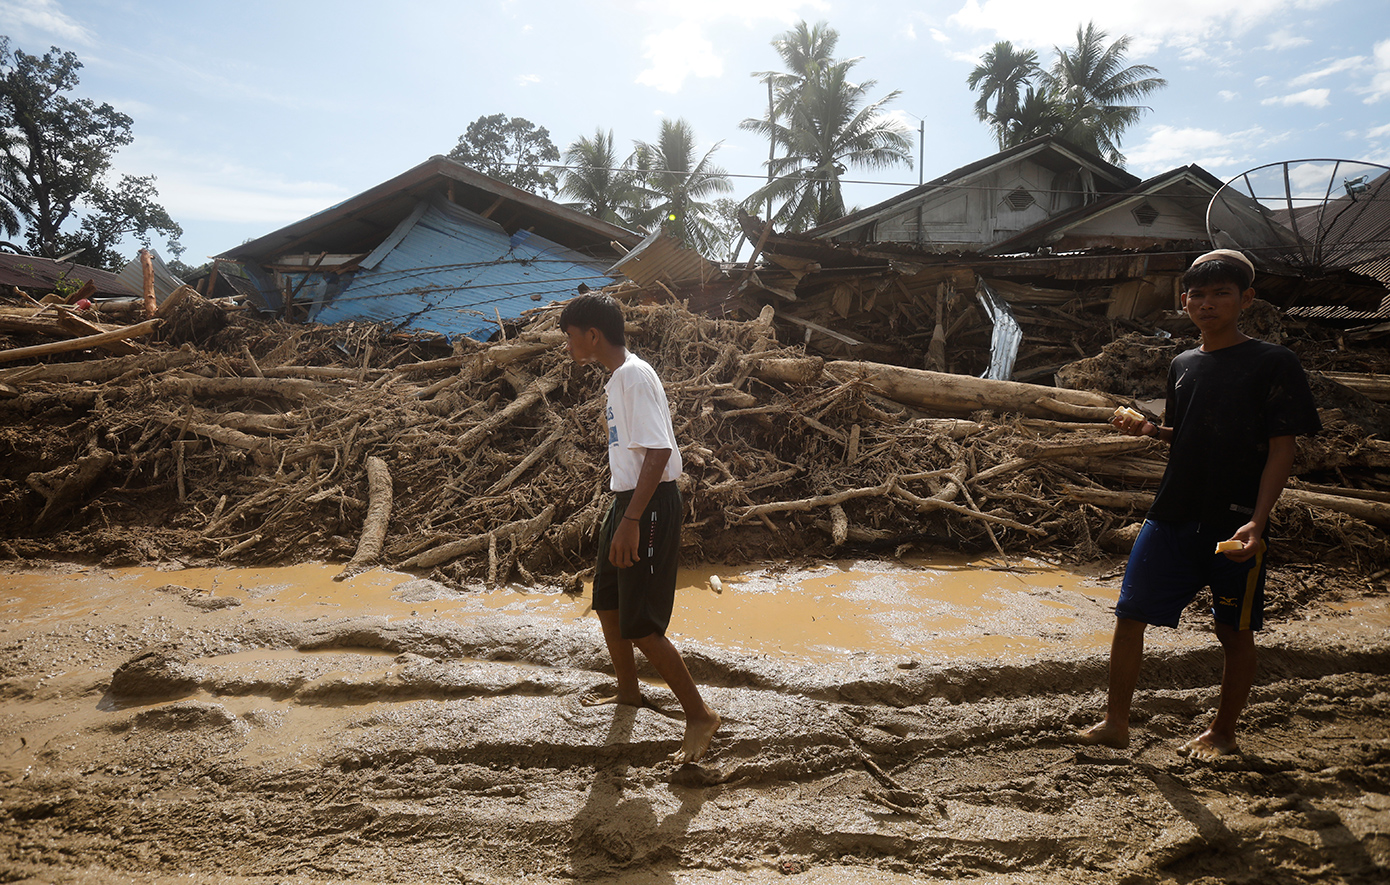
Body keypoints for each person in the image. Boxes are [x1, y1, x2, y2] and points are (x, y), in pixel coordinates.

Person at [1078, 249, 1321, 760]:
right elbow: (1186, 435)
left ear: (1245, 299)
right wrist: (1148, 429)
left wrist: (1259, 520)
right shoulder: (1183, 364)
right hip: (1171, 513)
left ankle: (1223, 733)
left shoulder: (1273, 362)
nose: (1207, 304)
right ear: (1184, 300)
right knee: (1129, 616)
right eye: (1198, 295)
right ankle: (1115, 723)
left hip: (1234, 523)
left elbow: (1283, 448)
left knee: (1233, 632)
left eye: (1220, 294)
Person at [559, 292, 721, 764]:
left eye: (571, 336)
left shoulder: (632, 376)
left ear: (593, 335)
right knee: (607, 601)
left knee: (643, 624)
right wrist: (622, 512)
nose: (568, 345)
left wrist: (631, 521)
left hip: (646, 507)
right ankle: (629, 692)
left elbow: (659, 453)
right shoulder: (618, 378)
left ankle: (699, 716)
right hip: (627, 502)